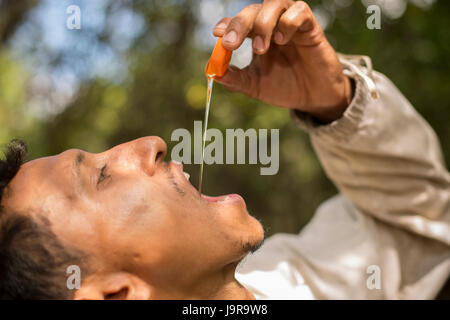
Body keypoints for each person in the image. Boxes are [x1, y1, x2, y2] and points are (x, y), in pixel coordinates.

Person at [0, 0, 449, 300]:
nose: (152, 144)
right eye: (100, 176)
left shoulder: (300, 278)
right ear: (117, 294)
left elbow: (423, 223)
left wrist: (333, 101)